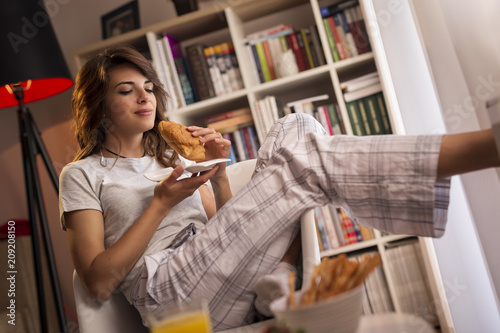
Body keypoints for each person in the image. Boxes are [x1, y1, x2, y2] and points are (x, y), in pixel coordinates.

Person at [59, 46, 500, 331]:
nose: (145, 97)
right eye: (126, 90)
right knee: (304, 163)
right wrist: (158, 205)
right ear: (98, 107)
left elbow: (225, 228)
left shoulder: (172, 157)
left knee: (297, 124)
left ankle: (279, 281)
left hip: (223, 273)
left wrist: (218, 176)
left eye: (149, 87)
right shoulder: (82, 175)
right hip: (171, 296)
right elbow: (98, 283)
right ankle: (485, 147)